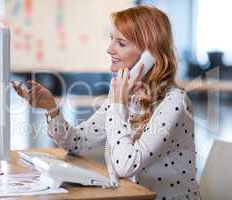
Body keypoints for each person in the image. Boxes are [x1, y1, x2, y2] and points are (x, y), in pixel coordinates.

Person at [12, 5, 200, 200]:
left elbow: (126, 165)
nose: (109, 49)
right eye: (112, 39)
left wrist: (118, 105)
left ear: (149, 55)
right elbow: (77, 142)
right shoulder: (126, 97)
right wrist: (51, 109)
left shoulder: (175, 102)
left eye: (121, 43)